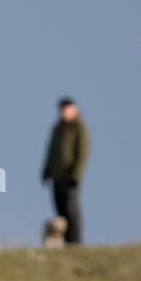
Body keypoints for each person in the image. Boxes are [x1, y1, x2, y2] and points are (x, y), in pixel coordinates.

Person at [41, 97, 89, 245]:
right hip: (56, 176)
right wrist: (46, 171)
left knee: (71, 210)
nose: (64, 112)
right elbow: (51, 151)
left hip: (70, 177)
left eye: (66, 109)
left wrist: (76, 175)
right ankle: (64, 242)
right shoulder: (57, 128)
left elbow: (82, 153)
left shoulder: (79, 128)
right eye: (62, 109)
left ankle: (75, 241)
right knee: (60, 210)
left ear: (73, 109)